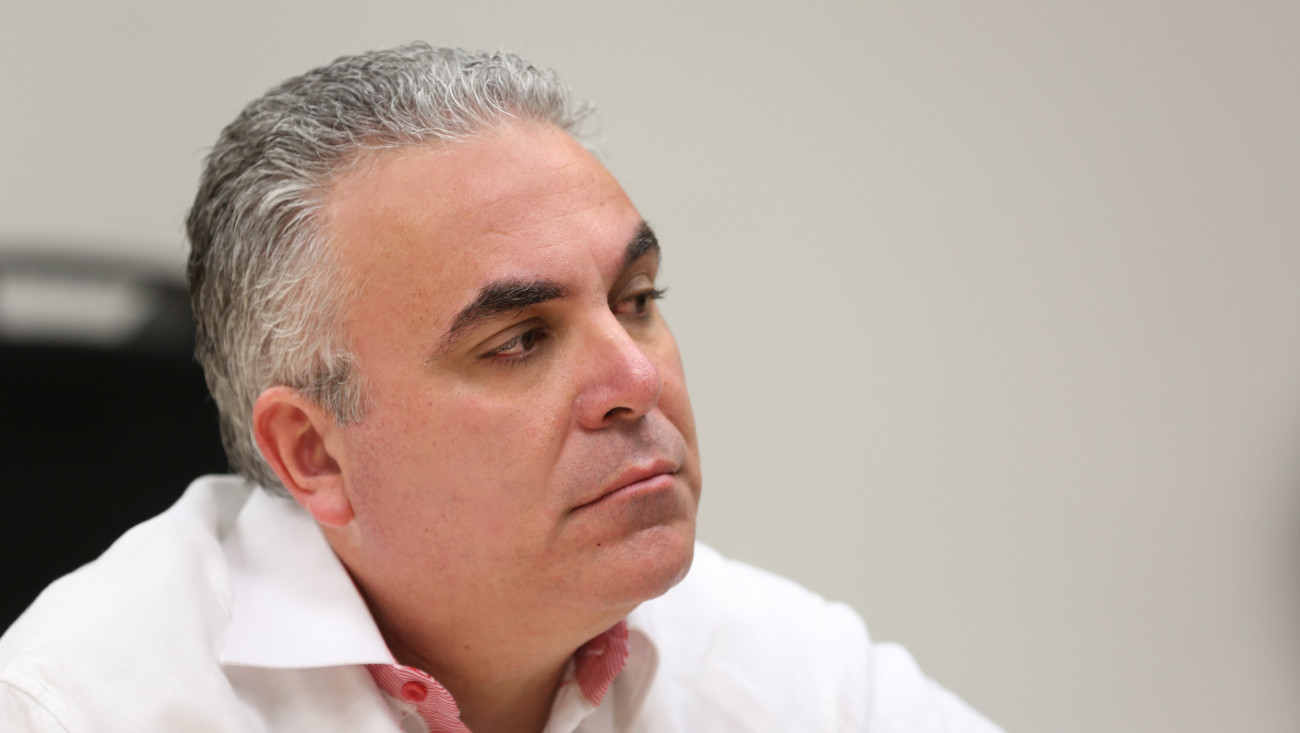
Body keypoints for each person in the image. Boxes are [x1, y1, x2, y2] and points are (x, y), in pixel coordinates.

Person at [0, 44, 1003, 732]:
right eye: (520, 340)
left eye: (637, 299)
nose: (637, 377)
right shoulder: (82, 705)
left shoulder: (786, 670)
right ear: (315, 453)